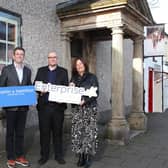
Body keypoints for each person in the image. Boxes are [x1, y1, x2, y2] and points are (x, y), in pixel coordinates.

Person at [34, 52, 68, 165]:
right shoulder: (41, 70)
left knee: (58, 133)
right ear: (48, 59)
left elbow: (66, 88)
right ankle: (44, 156)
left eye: (54, 57)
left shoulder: (63, 71)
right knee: (44, 133)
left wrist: (62, 98)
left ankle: (59, 156)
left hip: (58, 108)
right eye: (50, 57)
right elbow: (35, 85)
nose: (52, 59)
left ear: (56, 59)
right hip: (44, 108)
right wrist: (40, 90)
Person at [0, 47, 32, 168]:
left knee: (20, 133)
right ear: (13, 56)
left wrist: (31, 96)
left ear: (23, 56)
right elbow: (2, 87)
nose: (19, 56)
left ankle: (19, 156)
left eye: (21, 54)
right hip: (11, 108)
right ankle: (10, 157)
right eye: (17, 54)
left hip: (23, 108)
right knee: (10, 133)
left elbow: (28, 86)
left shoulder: (28, 71)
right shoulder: (7, 70)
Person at [70, 57, 99, 168]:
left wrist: (85, 101)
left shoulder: (92, 77)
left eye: (81, 64)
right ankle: (81, 156)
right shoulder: (73, 78)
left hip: (89, 108)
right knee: (78, 133)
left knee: (89, 133)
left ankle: (87, 157)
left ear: (85, 65)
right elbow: (70, 93)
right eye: (77, 65)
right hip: (77, 109)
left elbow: (96, 93)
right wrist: (70, 87)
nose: (79, 66)